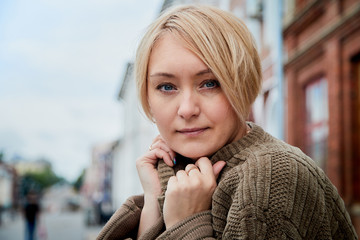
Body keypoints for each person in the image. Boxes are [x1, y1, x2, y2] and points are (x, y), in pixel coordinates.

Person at [97, 5, 357, 239]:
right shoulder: (180, 170)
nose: (187, 109)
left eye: (210, 83)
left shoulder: (268, 179)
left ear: (242, 83)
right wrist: (154, 200)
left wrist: (185, 225)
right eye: (166, 86)